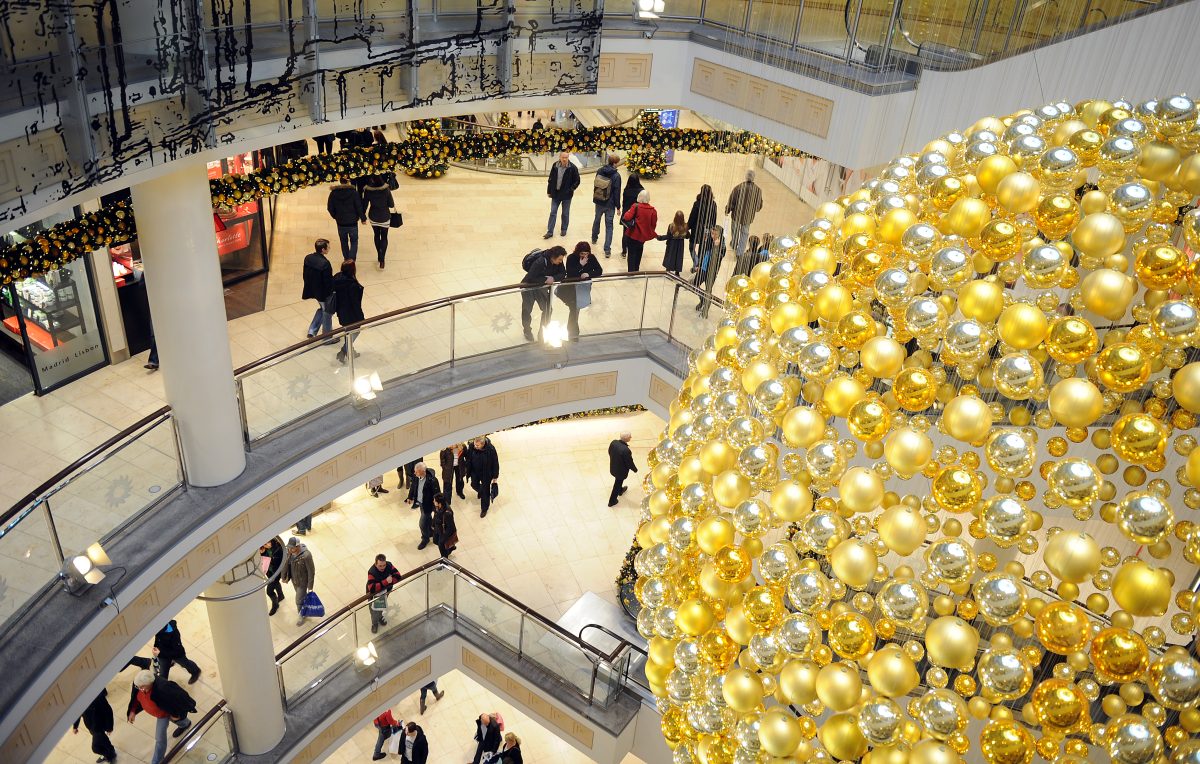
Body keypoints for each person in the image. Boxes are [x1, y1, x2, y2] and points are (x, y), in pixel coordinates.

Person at [127, 669, 196, 764]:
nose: (140, 689)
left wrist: (175, 714)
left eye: (143, 687)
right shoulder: (138, 684)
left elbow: (178, 698)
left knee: (159, 738)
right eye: (139, 687)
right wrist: (133, 711)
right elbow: (135, 697)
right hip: (158, 712)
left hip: (163, 714)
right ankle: (185, 724)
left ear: (150, 683)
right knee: (176, 720)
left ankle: (157, 761)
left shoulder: (163, 688)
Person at [519, 245, 567, 342]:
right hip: (529, 287)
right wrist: (546, 279)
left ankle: (543, 332)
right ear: (553, 257)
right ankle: (527, 330)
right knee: (527, 310)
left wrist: (553, 278)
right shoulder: (540, 262)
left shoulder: (558, 262)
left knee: (548, 309)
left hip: (541, 288)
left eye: (561, 260)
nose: (560, 262)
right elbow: (531, 277)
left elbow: (563, 273)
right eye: (559, 259)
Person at [559, 241, 602, 341]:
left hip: (583, 288)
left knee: (576, 310)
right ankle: (573, 334)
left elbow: (599, 270)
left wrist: (588, 274)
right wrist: (580, 265)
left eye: (586, 254)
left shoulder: (591, 258)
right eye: (582, 254)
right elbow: (570, 273)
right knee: (574, 310)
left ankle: (573, 333)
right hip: (571, 288)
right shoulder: (571, 258)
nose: (584, 256)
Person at [332, 259, 365, 365]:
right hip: (351, 314)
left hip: (341, 312)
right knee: (355, 332)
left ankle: (351, 351)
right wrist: (361, 318)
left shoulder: (337, 277)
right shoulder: (352, 285)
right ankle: (343, 351)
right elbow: (355, 304)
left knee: (348, 333)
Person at [725, 169, 763, 258]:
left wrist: (727, 210)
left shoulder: (738, 187)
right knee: (744, 233)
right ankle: (740, 253)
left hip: (736, 216)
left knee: (735, 231)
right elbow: (758, 206)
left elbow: (732, 201)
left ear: (746, 177)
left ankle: (734, 244)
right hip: (748, 217)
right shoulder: (758, 190)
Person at [590, 153, 623, 258]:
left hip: (599, 201)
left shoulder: (600, 170)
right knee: (609, 226)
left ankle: (594, 237)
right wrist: (618, 207)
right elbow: (617, 192)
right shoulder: (616, 176)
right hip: (610, 204)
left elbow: (596, 184)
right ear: (614, 163)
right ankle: (607, 249)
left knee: (596, 219)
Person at [302, 238, 336, 339]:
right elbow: (327, 282)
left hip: (313, 290)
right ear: (323, 250)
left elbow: (305, 275)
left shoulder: (308, 258)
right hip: (323, 294)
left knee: (323, 309)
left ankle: (312, 331)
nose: (329, 248)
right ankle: (327, 337)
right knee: (327, 313)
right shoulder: (325, 264)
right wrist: (332, 292)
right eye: (328, 247)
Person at [326, 177, 366, 260]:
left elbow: (330, 208)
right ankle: (351, 260)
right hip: (353, 223)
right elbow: (358, 207)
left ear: (340, 181)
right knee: (354, 241)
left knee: (343, 242)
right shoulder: (354, 193)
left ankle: (346, 258)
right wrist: (362, 218)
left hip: (341, 223)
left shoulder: (333, 193)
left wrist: (336, 216)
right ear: (348, 182)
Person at [73, 688, 117, 763]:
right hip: (91, 726)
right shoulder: (79, 701)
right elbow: (78, 713)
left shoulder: (97, 696)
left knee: (95, 748)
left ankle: (110, 755)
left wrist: (110, 727)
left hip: (98, 726)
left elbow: (108, 711)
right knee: (104, 741)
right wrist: (75, 726)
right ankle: (110, 753)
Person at [362, 174, 397, 269]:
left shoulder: (368, 191)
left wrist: (362, 217)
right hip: (385, 216)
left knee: (376, 235)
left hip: (373, 216)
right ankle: (382, 259)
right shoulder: (386, 190)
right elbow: (391, 204)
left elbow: (364, 205)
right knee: (384, 237)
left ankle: (379, 255)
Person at [544, 151, 580, 239]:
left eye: (566, 157)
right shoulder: (555, 165)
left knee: (565, 213)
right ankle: (550, 231)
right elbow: (551, 179)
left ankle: (564, 229)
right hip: (556, 194)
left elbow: (577, 180)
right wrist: (549, 191)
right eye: (563, 157)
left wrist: (571, 189)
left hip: (566, 196)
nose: (564, 159)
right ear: (560, 157)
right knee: (553, 212)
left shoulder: (572, 168)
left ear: (568, 158)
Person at [152, 620, 202, 684]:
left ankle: (196, 671)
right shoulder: (159, 628)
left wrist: (160, 653)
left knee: (185, 663)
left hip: (176, 655)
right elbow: (157, 638)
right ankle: (163, 687)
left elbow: (176, 652)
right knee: (163, 673)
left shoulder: (173, 635)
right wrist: (156, 646)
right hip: (163, 654)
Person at [281, 537, 317, 626]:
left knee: (298, 600)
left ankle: (302, 615)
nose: (290, 549)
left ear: (297, 546)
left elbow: (311, 572)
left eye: (292, 548)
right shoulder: (289, 553)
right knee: (302, 598)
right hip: (294, 580)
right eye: (289, 547)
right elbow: (285, 566)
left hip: (303, 582)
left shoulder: (306, 555)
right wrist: (284, 576)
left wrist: (310, 587)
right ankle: (306, 609)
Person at [621, 190, 658, 272]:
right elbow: (653, 225)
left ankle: (631, 272)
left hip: (633, 235)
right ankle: (636, 270)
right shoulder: (653, 211)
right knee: (639, 252)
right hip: (643, 237)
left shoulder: (635, 206)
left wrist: (628, 212)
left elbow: (626, 217)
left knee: (631, 254)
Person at [695, 225, 727, 319]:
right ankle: (702, 300)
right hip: (703, 268)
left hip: (711, 271)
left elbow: (719, 257)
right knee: (695, 285)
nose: (712, 235)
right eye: (712, 233)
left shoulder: (722, 246)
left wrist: (716, 247)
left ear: (719, 234)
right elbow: (703, 253)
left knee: (708, 290)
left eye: (715, 234)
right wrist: (699, 265)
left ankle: (705, 311)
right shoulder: (708, 240)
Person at [408, 462, 442, 550]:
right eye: (415, 471)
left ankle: (425, 539)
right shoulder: (416, 477)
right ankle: (430, 531)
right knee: (427, 518)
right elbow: (413, 487)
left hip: (428, 505)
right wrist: (410, 497)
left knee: (422, 524)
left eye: (417, 472)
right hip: (420, 503)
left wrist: (437, 505)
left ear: (423, 471)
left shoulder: (432, 480)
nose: (415, 473)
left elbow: (437, 493)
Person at [686, 185, 718, 273]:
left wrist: (688, 226)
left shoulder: (697, 203)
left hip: (696, 230)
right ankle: (699, 265)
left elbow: (692, 217)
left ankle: (696, 264)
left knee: (691, 247)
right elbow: (714, 219)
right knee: (702, 249)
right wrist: (712, 229)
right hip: (707, 231)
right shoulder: (713, 204)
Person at [466, 436, 500, 518]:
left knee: (485, 491)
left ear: (483, 444)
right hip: (475, 471)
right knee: (474, 484)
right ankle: (482, 491)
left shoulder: (491, 449)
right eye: (474, 444)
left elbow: (495, 463)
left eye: (477, 445)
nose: (475, 446)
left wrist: (495, 477)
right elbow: (468, 458)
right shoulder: (471, 446)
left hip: (486, 473)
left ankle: (484, 508)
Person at [366, 553, 401, 634]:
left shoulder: (389, 565)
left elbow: (398, 576)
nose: (382, 567)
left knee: (381, 605)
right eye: (380, 566)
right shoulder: (371, 572)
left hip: (385, 592)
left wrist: (390, 581)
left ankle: (380, 617)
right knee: (374, 610)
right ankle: (374, 624)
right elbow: (372, 588)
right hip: (374, 596)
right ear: (375, 564)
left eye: (384, 565)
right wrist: (386, 582)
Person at [608, 431, 639, 507]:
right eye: (630, 437)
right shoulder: (626, 450)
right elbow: (629, 462)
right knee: (617, 483)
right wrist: (635, 469)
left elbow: (609, 452)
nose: (631, 438)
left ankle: (620, 490)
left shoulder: (614, 442)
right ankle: (612, 501)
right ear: (626, 438)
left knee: (618, 481)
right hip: (620, 471)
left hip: (613, 466)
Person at [620, 171, 644, 258]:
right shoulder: (641, 191)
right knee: (637, 232)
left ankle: (624, 251)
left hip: (627, 214)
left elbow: (624, 203)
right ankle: (635, 249)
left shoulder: (626, 190)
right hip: (637, 214)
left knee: (625, 233)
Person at [658, 210, 688, 276]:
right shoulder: (685, 226)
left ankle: (668, 270)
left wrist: (660, 238)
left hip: (672, 244)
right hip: (680, 245)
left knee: (670, 256)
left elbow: (668, 236)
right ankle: (677, 272)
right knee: (678, 257)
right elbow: (687, 236)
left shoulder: (671, 226)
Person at [261, 536, 285, 616]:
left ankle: (275, 605)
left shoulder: (279, 549)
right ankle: (281, 595)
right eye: (264, 544)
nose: (266, 545)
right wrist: (263, 553)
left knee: (269, 591)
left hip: (276, 573)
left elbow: (279, 563)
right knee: (276, 584)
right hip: (269, 572)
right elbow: (265, 560)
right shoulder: (265, 549)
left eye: (267, 542)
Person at [432, 494, 458, 558]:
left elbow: (450, 527)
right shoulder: (437, 507)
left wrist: (443, 538)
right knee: (435, 541)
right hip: (438, 528)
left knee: (441, 546)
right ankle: (449, 548)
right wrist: (433, 524)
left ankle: (444, 560)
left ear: (439, 503)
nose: (433, 501)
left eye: (435, 501)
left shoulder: (447, 513)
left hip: (444, 532)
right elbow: (435, 515)